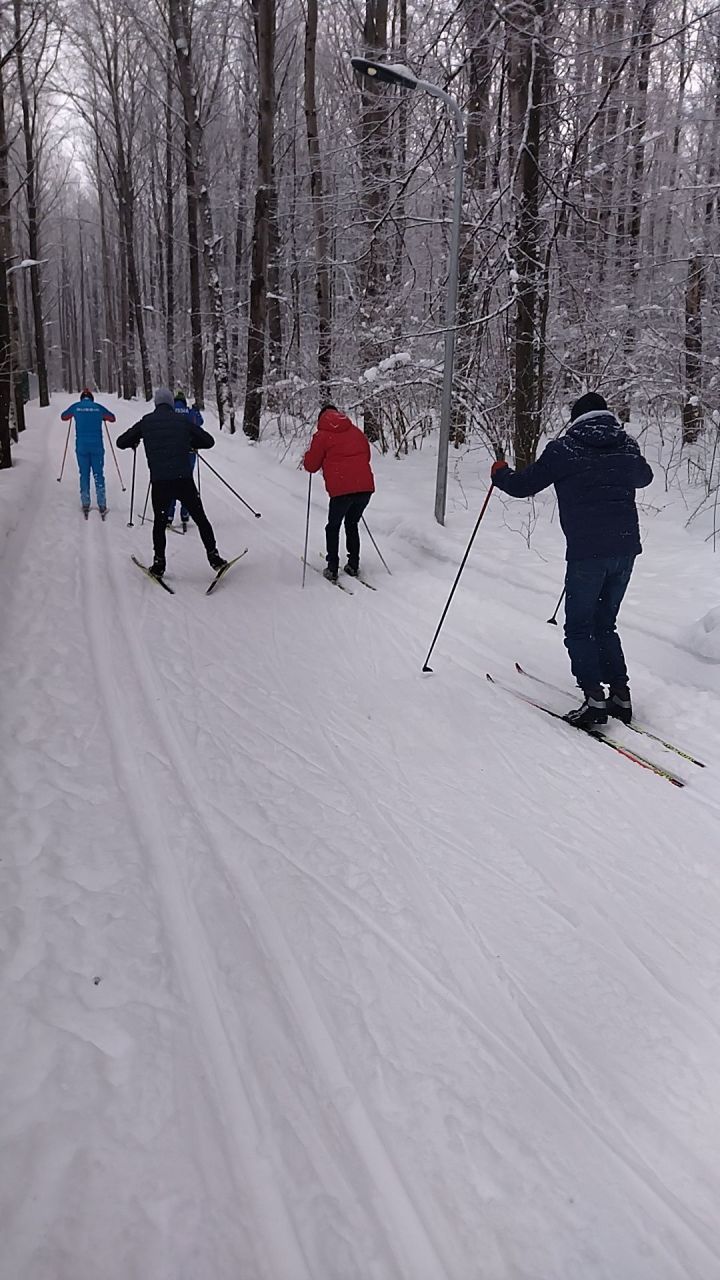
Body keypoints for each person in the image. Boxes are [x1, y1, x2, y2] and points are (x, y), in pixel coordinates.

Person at [491, 391, 653, 728]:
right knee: (604, 622)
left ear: (575, 419)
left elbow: (523, 486)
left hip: (587, 552)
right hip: (624, 549)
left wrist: (500, 473)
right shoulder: (626, 445)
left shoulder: (564, 449)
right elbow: (644, 477)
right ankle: (620, 696)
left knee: (579, 626)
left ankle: (595, 701)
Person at [117, 387, 227, 580]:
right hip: (183, 480)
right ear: (170, 403)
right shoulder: (181, 421)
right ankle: (215, 558)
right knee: (200, 518)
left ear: (156, 403)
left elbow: (121, 442)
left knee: (159, 523)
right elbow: (209, 441)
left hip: (160, 482)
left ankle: (159, 564)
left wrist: (135, 441)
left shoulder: (146, 422)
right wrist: (191, 443)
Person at [303, 405, 375, 582]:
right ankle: (353, 565)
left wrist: (308, 456)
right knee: (352, 523)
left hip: (342, 491)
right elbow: (366, 456)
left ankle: (332, 567)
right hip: (365, 487)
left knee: (333, 526)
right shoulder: (356, 431)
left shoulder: (321, 436)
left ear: (321, 418)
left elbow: (311, 466)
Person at [60, 389, 116, 516]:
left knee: (84, 474)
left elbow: (64, 416)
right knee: (98, 474)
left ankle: (85, 503)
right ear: (91, 398)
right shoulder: (98, 408)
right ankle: (102, 504)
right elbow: (112, 418)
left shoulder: (76, 407)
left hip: (82, 447)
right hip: (97, 447)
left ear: (81, 398)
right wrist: (102, 418)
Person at [166, 391, 204, 531]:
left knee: (171, 481)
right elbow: (199, 423)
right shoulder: (189, 412)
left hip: (172, 453)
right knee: (187, 481)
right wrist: (196, 411)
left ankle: (168, 515)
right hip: (189, 452)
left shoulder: (169, 412)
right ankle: (185, 513)